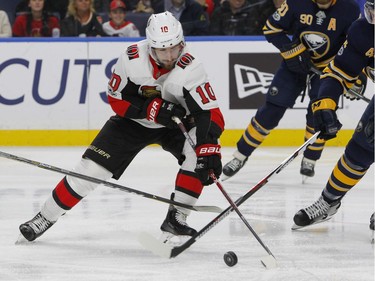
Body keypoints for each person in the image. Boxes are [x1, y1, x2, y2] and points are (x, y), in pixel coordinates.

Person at [18, 11, 224, 242]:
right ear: (150, 46)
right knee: (90, 171)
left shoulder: (192, 67)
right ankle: (44, 217)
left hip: (177, 124)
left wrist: (208, 147)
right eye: (162, 49)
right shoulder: (131, 58)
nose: (169, 56)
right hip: (132, 123)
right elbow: (116, 99)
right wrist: (150, 109)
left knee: (199, 155)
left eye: (174, 48)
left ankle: (177, 219)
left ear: (182, 43)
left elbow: (209, 113)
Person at [222, 0, 361, 180]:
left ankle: (310, 159)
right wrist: (292, 51)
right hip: (293, 65)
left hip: (328, 71)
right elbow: (271, 28)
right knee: (271, 111)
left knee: (320, 114)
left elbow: (356, 46)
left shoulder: (349, 9)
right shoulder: (296, 2)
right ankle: (240, 155)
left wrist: (355, 77)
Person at [293, 0, 374, 230]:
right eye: (372, 13)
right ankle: (328, 202)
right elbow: (339, 71)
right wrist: (325, 105)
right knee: (359, 150)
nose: (373, 20)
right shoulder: (363, 31)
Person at [209, 0, 276, 35]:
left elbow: (252, 33)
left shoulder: (252, 12)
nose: (238, 1)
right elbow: (214, 33)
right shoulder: (219, 13)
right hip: (221, 46)